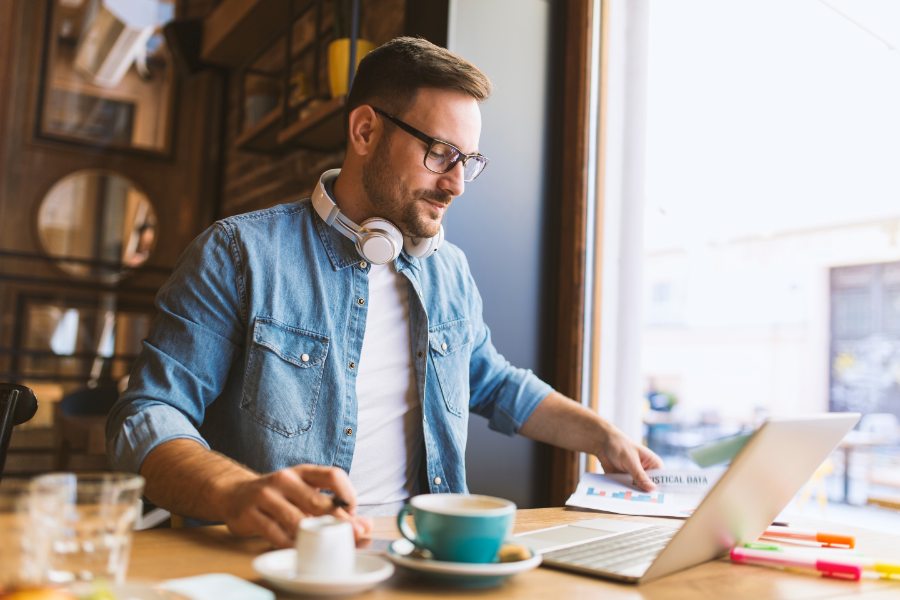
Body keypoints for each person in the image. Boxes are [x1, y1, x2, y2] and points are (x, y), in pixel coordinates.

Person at [106, 37, 663, 549]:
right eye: (441, 153)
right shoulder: (236, 254)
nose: (456, 184)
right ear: (366, 131)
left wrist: (603, 435)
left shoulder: (449, 270)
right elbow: (148, 414)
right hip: (281, 559)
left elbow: (489, 379)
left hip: (426, 555)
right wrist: (235, 492)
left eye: (468, 162)